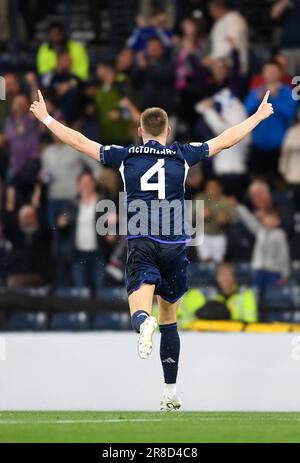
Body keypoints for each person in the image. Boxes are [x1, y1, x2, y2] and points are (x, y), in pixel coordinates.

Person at [30, 86, 273, 410]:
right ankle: (170, 390)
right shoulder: (182, 155)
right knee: (169, 315)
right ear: (168, 131)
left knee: (140, 305)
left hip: (143, 239)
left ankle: (144, 322)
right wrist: (256, 117)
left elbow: (79, 142)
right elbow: (225, 139)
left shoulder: (125, 155)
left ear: (140, 131)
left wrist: (46, 118)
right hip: (175, 243)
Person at [245, 59, 297, 175]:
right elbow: (246, 112)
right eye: (267, 71)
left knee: (277, 182)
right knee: (257, 178)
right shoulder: (255, 92)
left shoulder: (287, 92)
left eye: (273, 71)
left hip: (279, 146)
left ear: (280, 73)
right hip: (257, 145)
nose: (270, 74)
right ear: (263, 73)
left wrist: (275, 98)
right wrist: (258, 99)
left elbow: (291, 114)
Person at [234, 204, 290, 292]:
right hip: (257, 270)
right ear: (264, 219)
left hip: (273, 271)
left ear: (278, 221)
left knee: (272, 296)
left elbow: (284, 254)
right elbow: (249, 220)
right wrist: (239, 207)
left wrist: (285, 274)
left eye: (274, 219)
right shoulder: (260, 231)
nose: (270, 221)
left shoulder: (280, 234)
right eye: (268, 218)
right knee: (255, 295)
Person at [178, 262, 258, 324]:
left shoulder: (245, 293)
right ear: (217, 278)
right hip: (215, 334)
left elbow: (250, 320)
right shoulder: (210, 295)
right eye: (222, 275)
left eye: (228, 275)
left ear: (234, 277)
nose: (225, 279)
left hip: (239, 334)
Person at [193, 178, 233, 262]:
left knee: (218, 262)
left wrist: (226, 220)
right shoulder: (200, 198)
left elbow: (232, 219)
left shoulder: (225, 200)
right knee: (205, 261)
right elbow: (189, 216)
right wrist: (199, 215)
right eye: (209, 187)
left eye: (214, 187)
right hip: (203, 234)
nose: (212, 190)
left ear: (220, 188)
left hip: (219, 234)